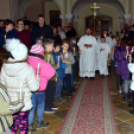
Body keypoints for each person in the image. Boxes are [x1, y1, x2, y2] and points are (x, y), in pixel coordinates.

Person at [0, 39, 40, 134]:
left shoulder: (4, 67)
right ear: (24, 55)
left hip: (11, 103)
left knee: (12, 125)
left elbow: (2, 85)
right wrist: (37, 80)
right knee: (23, 125)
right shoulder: (27, 68)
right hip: (23, 102)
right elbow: (34, 87)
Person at [28, 44, 56, 132]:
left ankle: (29, 124)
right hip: (40, 88)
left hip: (29, 87)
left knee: (31, 107)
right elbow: (52, 73)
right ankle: (39, 121)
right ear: (41, 53)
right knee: (40, 105)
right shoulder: (42, 63)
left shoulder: (27, 61)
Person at [43, 39, 59, 113]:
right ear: (47, 46)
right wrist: (56, 66)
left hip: (52, 76)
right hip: (48, 77)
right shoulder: (45, 55)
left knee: (52, 91)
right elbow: (48, 66)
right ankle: (46, 106)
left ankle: (50, 103)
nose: (53, 47)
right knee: (48, 92)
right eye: (52, 45)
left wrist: (55, 76)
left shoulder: (50, 53)